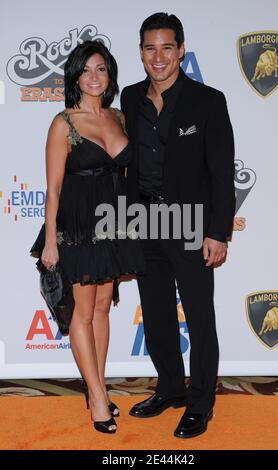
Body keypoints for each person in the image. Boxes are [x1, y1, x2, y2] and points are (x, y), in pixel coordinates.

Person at [121, 13, 235, 438]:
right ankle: (170, 387)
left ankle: (201, 402)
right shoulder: (130, 98)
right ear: (141, 53)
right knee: (156, 315)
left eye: (167, 47)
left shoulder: (208, 101)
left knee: (200, 317)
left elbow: (222, 173)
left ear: (181, 50)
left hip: (191, 225)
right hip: (143, 223)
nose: (158, 56)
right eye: (150, 48)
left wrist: (218, 232)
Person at [30, 40, 145, 434]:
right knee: (82, 310)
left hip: (114, 223)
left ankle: (99, 384)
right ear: (75, 76)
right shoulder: (64, 122)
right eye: (86, 70)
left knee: (101, 309)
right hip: (77, 226)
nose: (94, 77)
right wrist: (50, 240)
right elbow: (54, 188)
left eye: (101, 69)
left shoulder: (119, 117)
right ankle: (96, 396)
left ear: (110, 74)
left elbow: (128, 176)